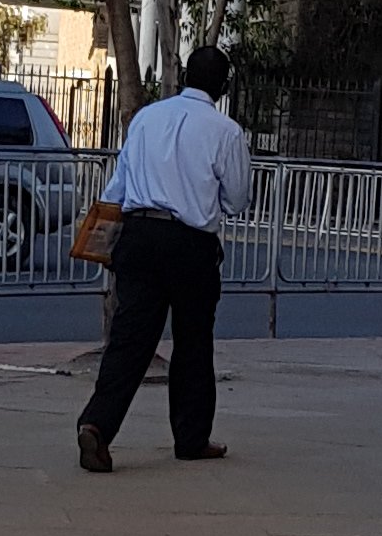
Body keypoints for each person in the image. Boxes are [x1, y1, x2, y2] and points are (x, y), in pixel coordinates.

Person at [76, 43, 253, 472]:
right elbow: (236, 199)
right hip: (190, 243)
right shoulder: (226, 132)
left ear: (184, 76)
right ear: (223, 87)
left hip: (138, 235)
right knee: (193, 341)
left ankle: (97, 424)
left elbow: (118, 186)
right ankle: (191, 438)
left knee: (130, 339)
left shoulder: (146, 118)